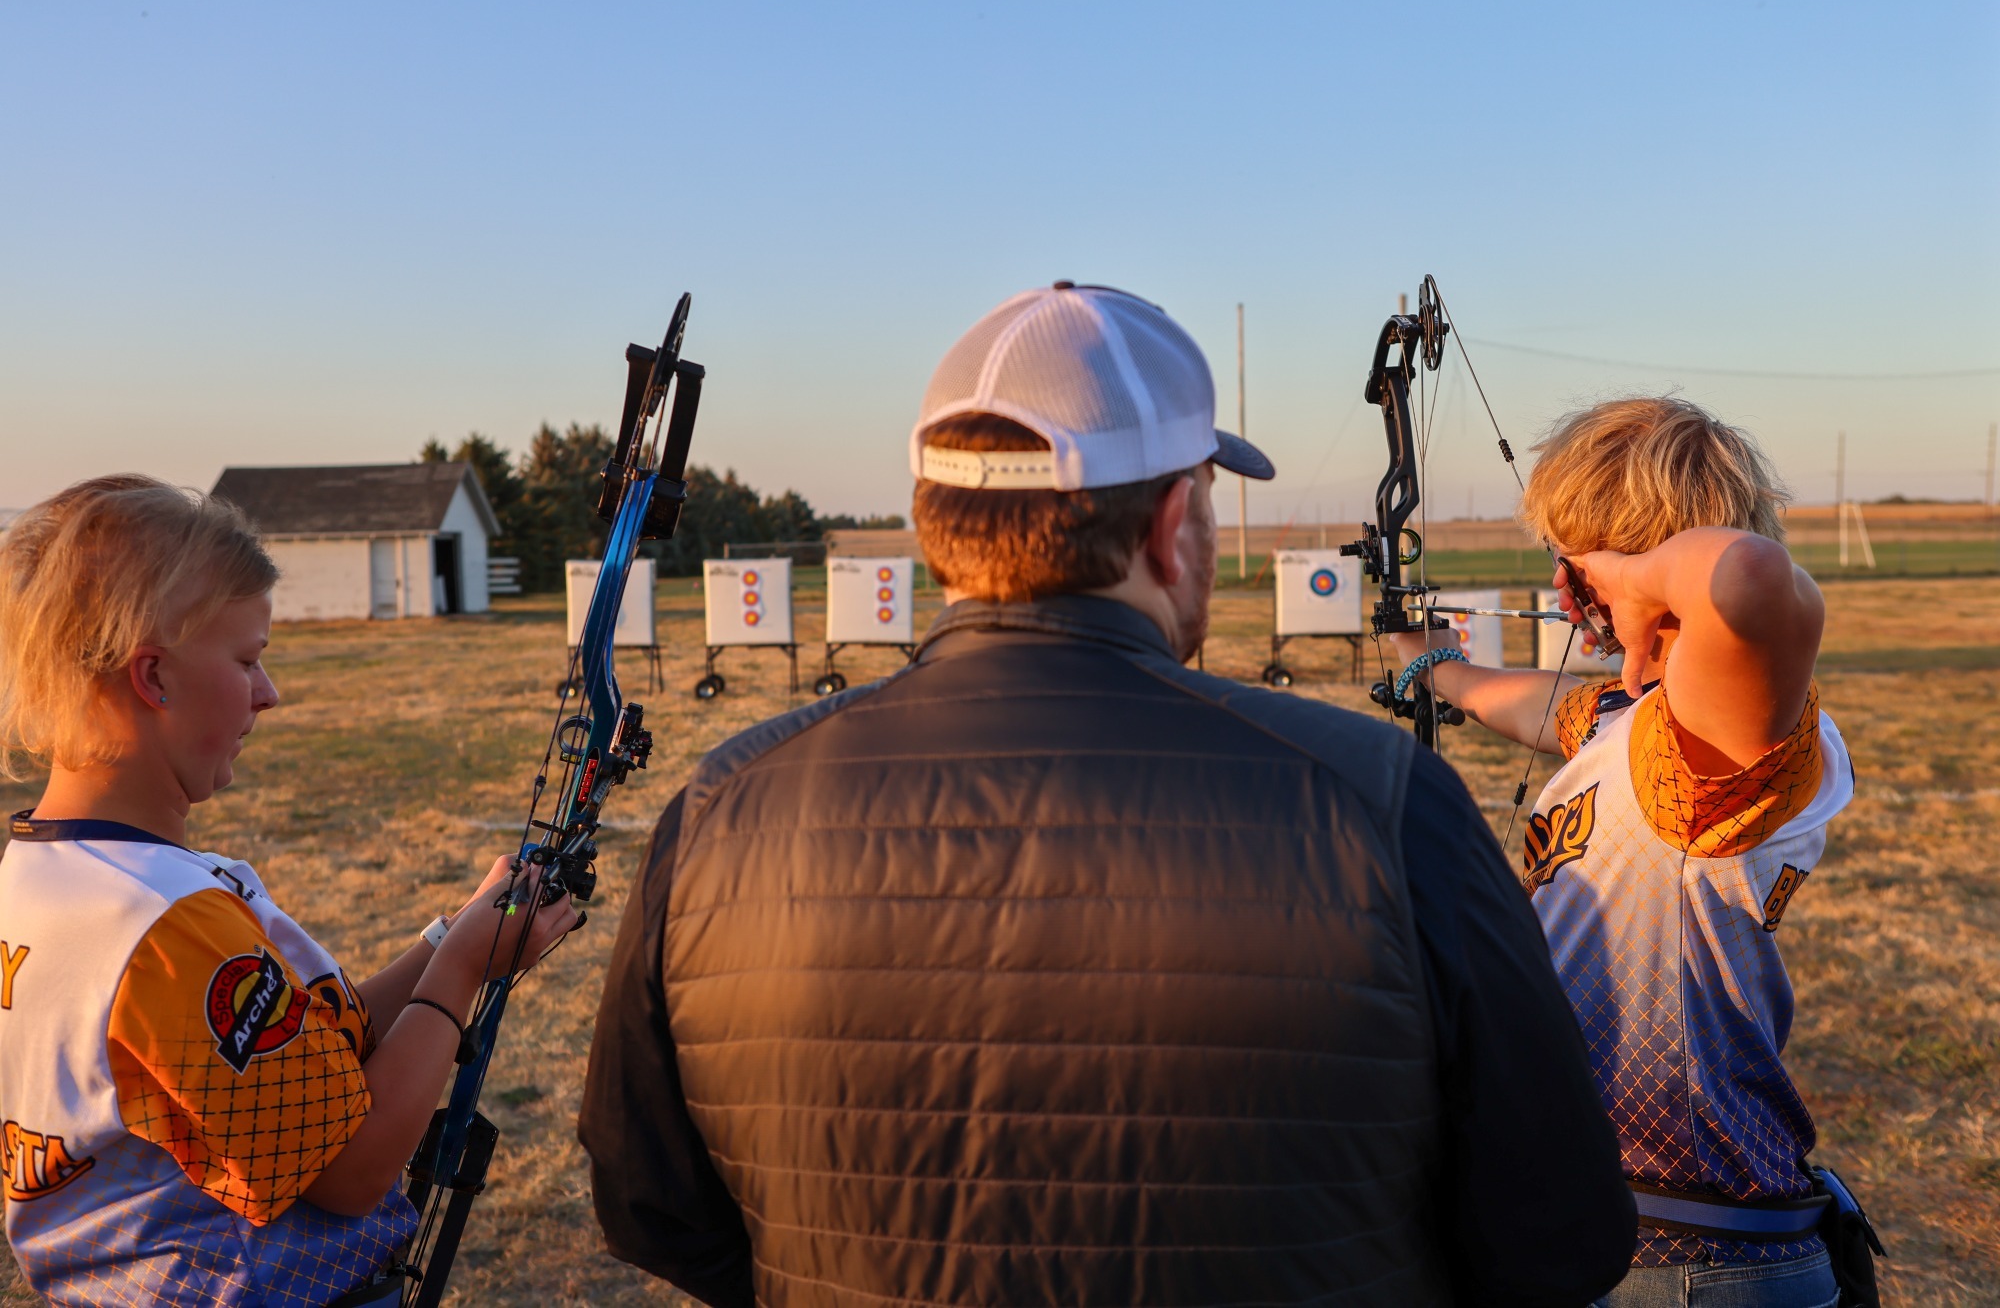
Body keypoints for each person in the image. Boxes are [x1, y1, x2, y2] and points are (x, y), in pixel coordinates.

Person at [579, 282, 1636, 1307]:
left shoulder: (720, 809)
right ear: (1171, 521)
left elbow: (649, 1203)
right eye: (1211, 501)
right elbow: (1559, 1236)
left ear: (934, 521)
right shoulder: (1383, 800)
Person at [0, 476, 578, 1307]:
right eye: (246, 660)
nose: (268, 693)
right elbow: (347, 1165)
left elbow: (311, 1061)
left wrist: (449, 940)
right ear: (153, 678)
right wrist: (460, 975)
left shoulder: (49, 875)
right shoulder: (162, 927)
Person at [1389, 398, 1857, 1307]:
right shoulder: (1642, 721)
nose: (1568, 583)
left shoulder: (1716, 740)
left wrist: (1635, 573)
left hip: (1687, 1259)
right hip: (1615, 1235)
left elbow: (1754, 574)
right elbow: (1532, 703)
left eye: (1577, 559)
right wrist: (1431, 664)